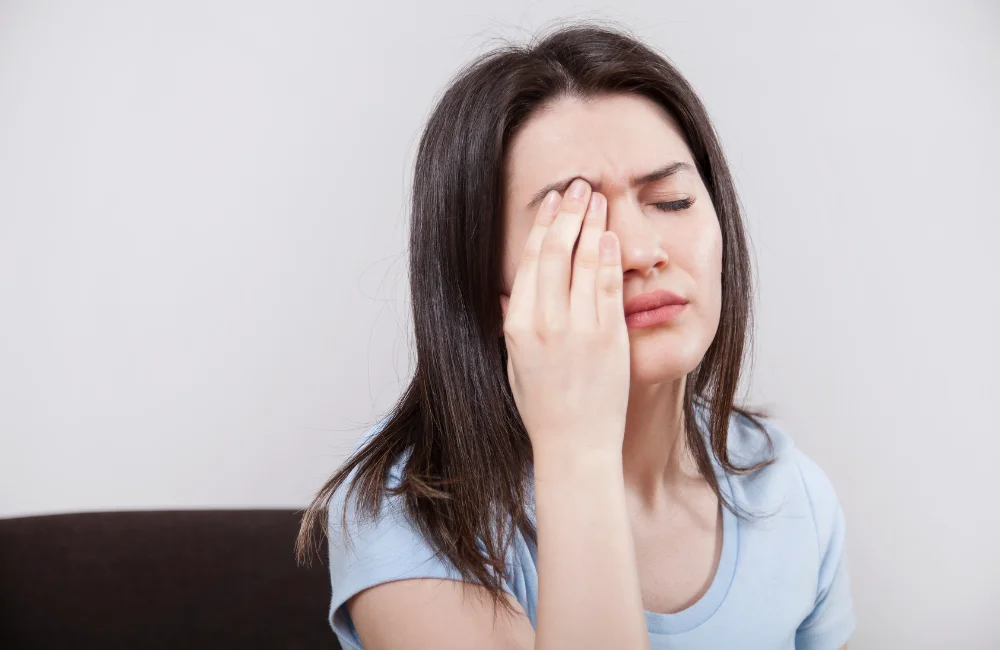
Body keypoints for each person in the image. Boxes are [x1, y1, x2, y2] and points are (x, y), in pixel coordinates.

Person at [297, 19, 855, 650]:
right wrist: (578, 450)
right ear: (487, 287)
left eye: (672, 202)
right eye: (579, 225)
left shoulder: (792, 493)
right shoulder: (403, 511)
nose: (641, 252)